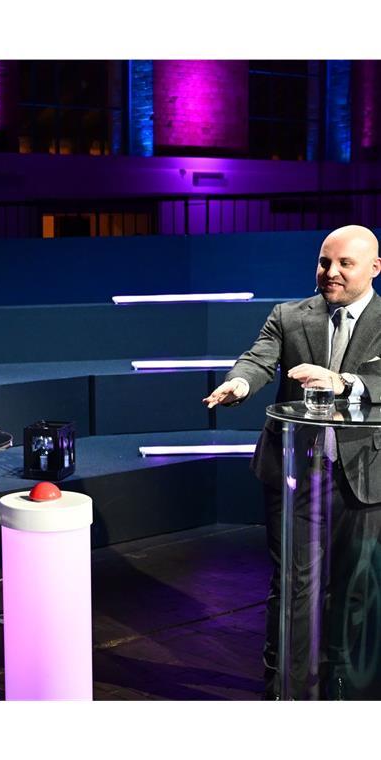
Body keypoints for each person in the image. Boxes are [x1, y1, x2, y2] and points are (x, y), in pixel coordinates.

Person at [204, 224, 381, 699]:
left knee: (355, 593)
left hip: (365, 477)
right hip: (296, 475)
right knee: (294, 591)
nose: (332, 272)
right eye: (326, 261)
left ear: (374, 268)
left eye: (345, 263)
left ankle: (347, 693)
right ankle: (285, 694)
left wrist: (343, 383)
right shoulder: (288, 315)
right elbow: (259, 359)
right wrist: (240, 383)